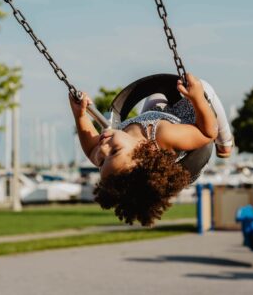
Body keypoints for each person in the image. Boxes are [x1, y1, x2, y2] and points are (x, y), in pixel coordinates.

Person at [69, 73, 233, 226]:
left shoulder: (117, 154)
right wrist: (197, 99)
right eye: (114, 151)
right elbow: (207, 133)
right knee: (204, 88)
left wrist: (80, 115)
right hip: (191, 122)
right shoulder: (164, 135)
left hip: (156, 115)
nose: (103, 148)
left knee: (156, 94)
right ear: (144, 151)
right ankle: (225, 142)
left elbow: (91, 150)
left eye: (101, 161)